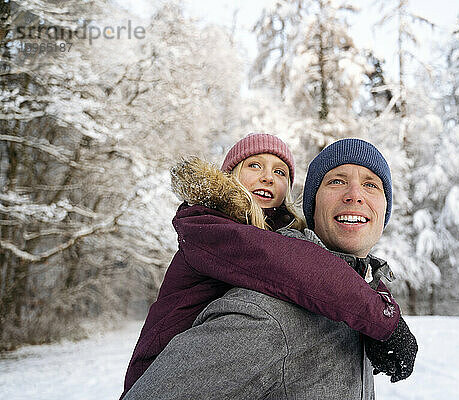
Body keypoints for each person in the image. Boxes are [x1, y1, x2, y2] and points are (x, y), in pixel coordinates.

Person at [123, 138, 418, 400]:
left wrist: (377, 305)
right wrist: (383, 319)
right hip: (154, 360)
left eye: (371, 184)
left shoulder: (335, 293)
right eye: (337, 181)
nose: (355, 194)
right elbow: (288, 260)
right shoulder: (210, 228)